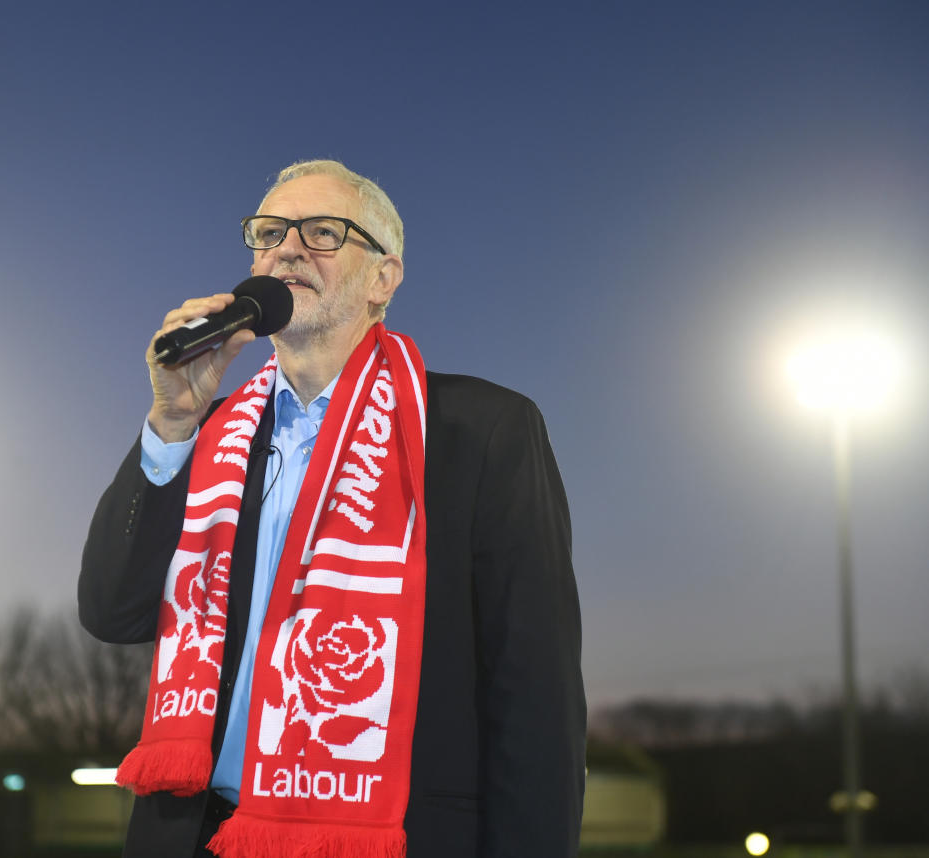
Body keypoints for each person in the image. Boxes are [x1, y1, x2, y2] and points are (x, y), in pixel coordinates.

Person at [78, 159, 585, 858]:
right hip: (192, 836)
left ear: (384, 277)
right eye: (269, 232)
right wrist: (171, 428)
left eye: (322, 231)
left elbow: (535, 696)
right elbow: (112, 612)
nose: (286, 248)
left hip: (384, 838)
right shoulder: (212, 431)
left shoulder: (482, 429)